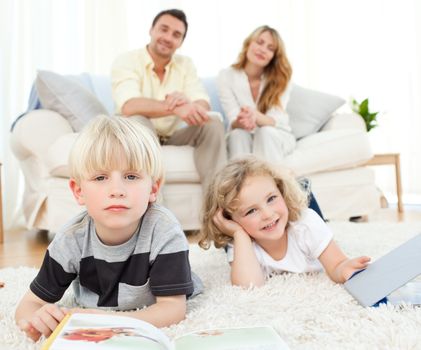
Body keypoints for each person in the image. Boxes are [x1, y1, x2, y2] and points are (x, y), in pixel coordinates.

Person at [15, 115, 202, 341]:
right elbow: (29, 304)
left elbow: (173, 308)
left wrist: (105, 321)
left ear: (154, 189)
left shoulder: (164, 229)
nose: (117, 190)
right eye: (101, 177)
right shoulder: (70, 239)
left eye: (131, 176)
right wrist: (36, 320)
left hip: (159, 293)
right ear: (78, 191)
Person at [199, 156, 370, 287]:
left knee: (305, 203)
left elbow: (337, 265)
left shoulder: (306, 224)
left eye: (271, 198)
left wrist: (344, 268)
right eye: (251, 210)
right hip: (258, 227)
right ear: (231, 220)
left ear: (281, 192)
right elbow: (247, 287)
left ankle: (300, 186)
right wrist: (238, 233)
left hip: (294, 220)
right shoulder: (240, 240)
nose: (267, 214)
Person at [111, 8, 226, 189]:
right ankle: (154, 210)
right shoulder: (127, 60)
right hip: (137, 136)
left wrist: (188, 103)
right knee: (138, 120)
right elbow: (129, 105)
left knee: (211, 123)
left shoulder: (186, 64)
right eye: (163, 29)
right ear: (151, 30)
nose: (168, 37)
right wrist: (174, 107)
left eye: (176, 34)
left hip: (170, 136)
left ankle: (217, 206)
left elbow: (202, 103)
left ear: (180, 42)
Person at [217, 25, 295, 164]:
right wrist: (242, 120)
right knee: (237, 135)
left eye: (270, 48)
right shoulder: (226, 76)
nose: (263, 49)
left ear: (273, 57)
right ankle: (241, 184)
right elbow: (233, 118)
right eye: (259, 42)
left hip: (276, 134)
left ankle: (272, 182)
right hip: (244, 133)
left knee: (265, 132)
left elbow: (274, 120)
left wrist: (255, 116)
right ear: (249, 43)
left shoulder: (282, 79)